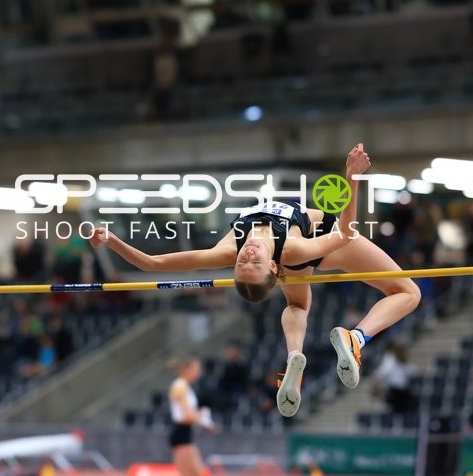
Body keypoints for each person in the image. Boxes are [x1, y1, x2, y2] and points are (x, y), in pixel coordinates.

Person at [92, 143, 421, 417]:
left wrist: (112, 241)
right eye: (254, 260)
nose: (247, 253)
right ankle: (357, 338)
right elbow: (347, 232)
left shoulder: (229, 247)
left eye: (242, 262)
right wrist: (352, 178)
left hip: (299, 252)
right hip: (323, 237)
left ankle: (294, 357)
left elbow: (153, 263)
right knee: (408, 291)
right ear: (274, 266)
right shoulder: (291, 249)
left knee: (298, 302)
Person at [168, 358, 214, 476]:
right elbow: (187, 415)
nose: (198, 372)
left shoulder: (185, 386)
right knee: (191, 472)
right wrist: (204, 421)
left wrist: (200, 415)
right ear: (187, 370)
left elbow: (190, 413)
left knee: (196, 471)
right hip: (181, 432)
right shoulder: (180, 386)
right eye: (196, 369)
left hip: (186, 431)